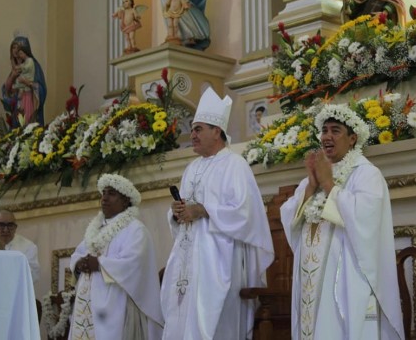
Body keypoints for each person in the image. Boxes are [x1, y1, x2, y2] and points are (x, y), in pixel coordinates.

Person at [280, 102, 404, 339]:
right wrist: (311, 188)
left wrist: (329, 186)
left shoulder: (366, 174)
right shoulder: (316, 175)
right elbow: (289, 214)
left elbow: (365, 218)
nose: (327, 136)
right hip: (311, 277)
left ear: (353, 138)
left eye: (335, 130)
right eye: (324, 130)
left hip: (347, 276)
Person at [161, 87, 274, 339]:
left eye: (198, 128)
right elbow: (184, 214)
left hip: (222, 259)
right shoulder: (191, 168)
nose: (193, 134)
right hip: (189, 260)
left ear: (217, 131)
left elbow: (246, 214)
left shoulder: (235, 165)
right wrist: (177, 212)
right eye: (192, 129)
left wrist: (203, 210)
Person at [68, 173, 163, 339]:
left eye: (111, 194)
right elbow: (78, 252)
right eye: (103, 193)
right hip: (88, 301)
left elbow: (134, 264)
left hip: (116, 302)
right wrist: (79, 263)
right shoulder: (96, 228)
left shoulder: (135, 229)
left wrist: (99, 264)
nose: (104, 198)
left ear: (125, 201)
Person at [1, 36, 47, 127]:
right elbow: (7, 91)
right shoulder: (15, 69)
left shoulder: (32, 65)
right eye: (13, 47)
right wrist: (12, 77)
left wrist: (27, 83)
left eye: (18, 48)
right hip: (18, 105)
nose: (15, 50)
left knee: (28, 126)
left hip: (29, 101)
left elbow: (41, 89)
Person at [0, 209, 40, 284]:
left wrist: (2, 254)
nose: (5, 230)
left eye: (10, 225)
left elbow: (32, 277)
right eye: (1, 225)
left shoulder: (28, 247)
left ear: (15, 228)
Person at [340, 0, 406, 26]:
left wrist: (384, 13)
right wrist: (347, 1)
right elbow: (353, 11)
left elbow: (395, 4)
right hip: (361, 28)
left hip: (379, 28)